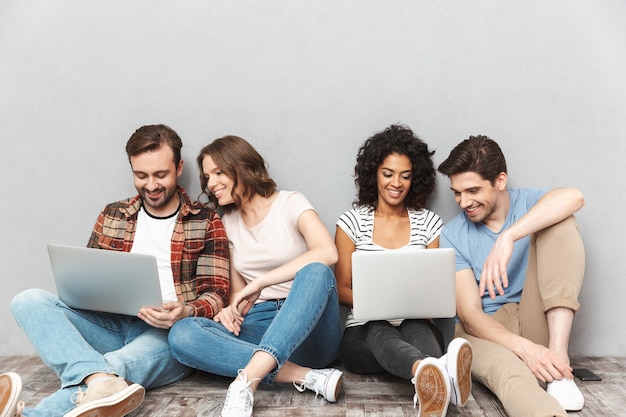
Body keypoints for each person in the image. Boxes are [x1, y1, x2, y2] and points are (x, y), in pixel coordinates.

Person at [2, 124, 230, 417]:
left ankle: (36, 412)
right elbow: (87, 277)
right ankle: (99, 380)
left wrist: (184, 311)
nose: (151, 185)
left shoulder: (206, 221)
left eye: (160, 174)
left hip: (165, 334)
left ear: (178, 167)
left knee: (112, 365)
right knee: (27, 300)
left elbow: (217, 294)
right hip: (108, 325)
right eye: (141, 175)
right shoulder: (113, 214)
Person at [168, 135, 343, 417]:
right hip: (261, 323)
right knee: (182, 333)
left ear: (242, 166)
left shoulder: (290, 202)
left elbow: (328, 252)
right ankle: (306, 377)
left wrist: (261, 282)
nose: (210, 183)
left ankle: (246, 382)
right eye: (206, 176)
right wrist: (229, 311)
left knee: (317, 270)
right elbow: (241, 296)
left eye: (218, 172)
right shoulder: (227, 223)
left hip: (310, 327)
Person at [437, 135, 586, 417]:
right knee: (510, 373)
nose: (463, 201)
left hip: (536, 317)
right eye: (457, 192)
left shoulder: (528, 202)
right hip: (486, 331)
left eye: (472, 190)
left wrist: (510, 235)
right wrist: (524, 348)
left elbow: (574, 197)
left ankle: (558, 360)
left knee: (562, 220)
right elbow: (469, 314)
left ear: (500, 181)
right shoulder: (452, 234)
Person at [334, 124, 473, 417]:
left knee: (416, 326)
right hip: (362, 335)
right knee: (378, 327)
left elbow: (436, 290)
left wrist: (413, 305)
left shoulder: (429, 223)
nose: (396, 183)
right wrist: (379, 305)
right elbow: (342, 289)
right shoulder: (352, 222)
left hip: (416, 322)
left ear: (415, 179)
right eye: (388, 174)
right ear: (374, 174)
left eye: (405, 176)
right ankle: (432, 369)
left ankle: (434, 384)